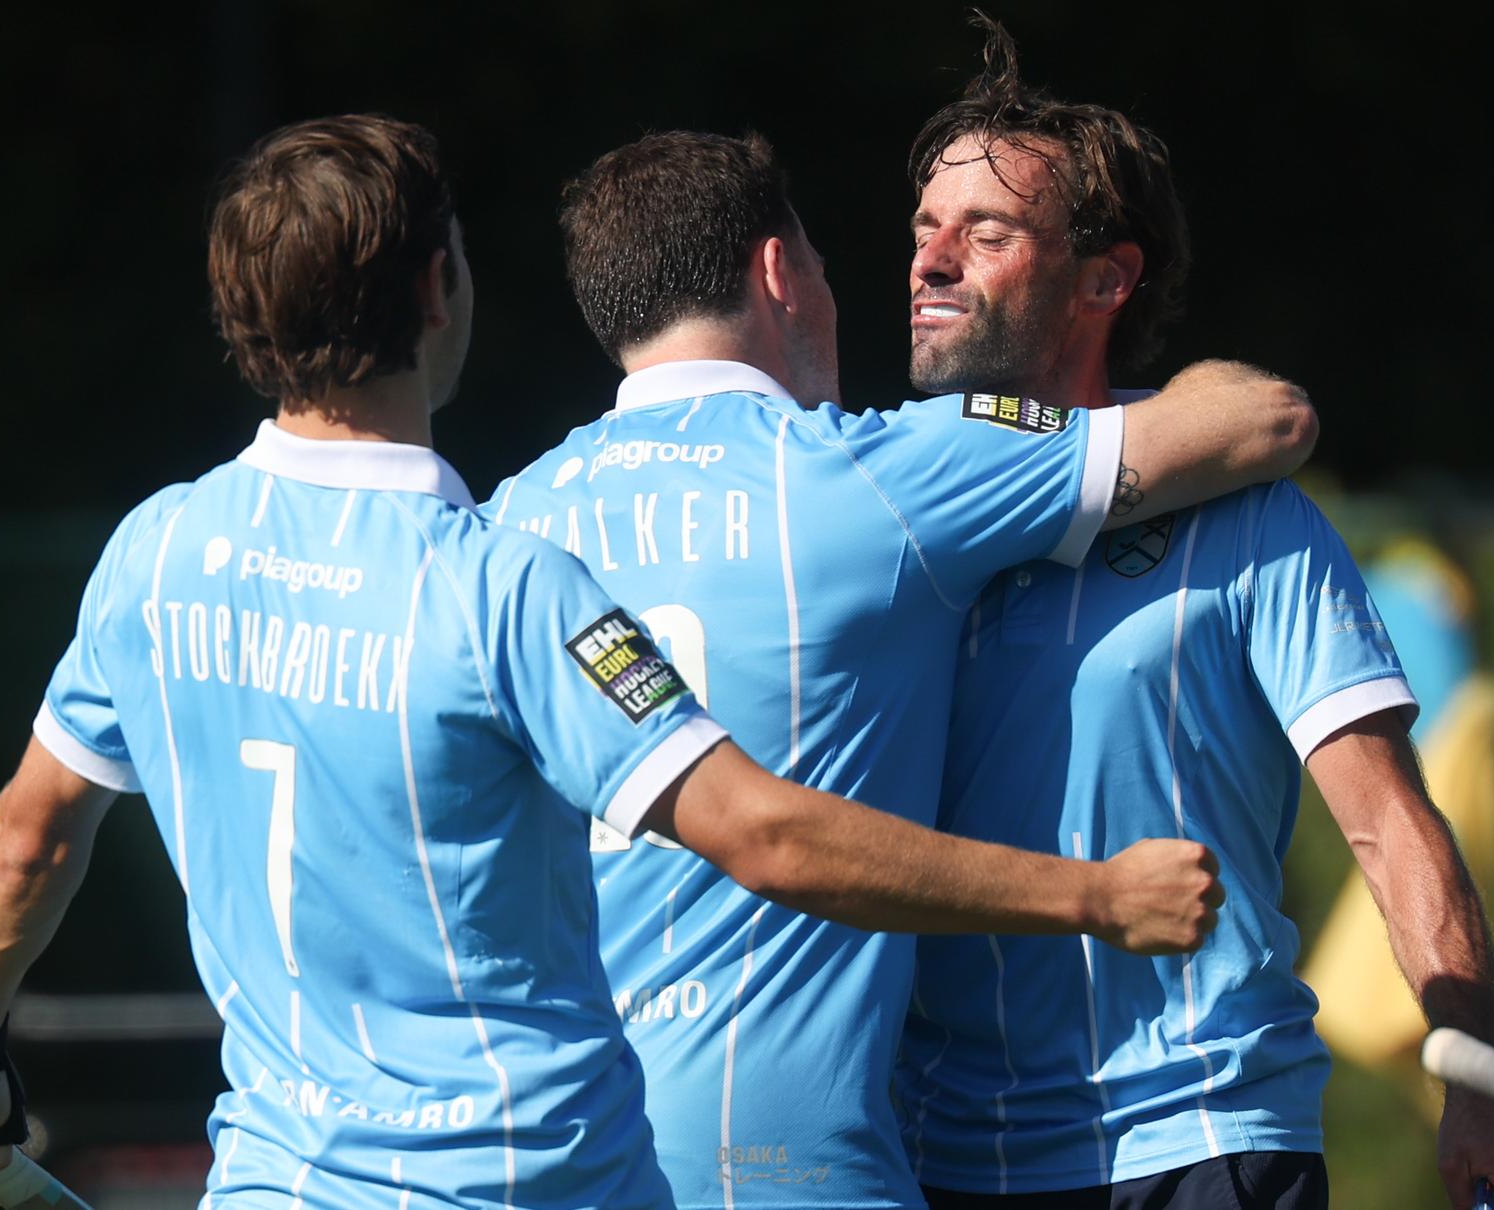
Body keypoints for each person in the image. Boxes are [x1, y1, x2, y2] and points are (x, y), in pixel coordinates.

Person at [0, 115, 1231, 1209]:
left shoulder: (156, 552)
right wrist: (1092, 892)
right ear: (439, 290)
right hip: (529, 1181)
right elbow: (763, 833)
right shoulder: (504, 587)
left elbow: (30, 836)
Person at [486, 128, 1316, 1209]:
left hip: (553, 1152)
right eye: (826, 266)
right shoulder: (879, 470)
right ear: (780, 274)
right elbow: (1265, 420)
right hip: (786, 1170)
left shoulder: (498, 529)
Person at [891, 19, 1494, 1210]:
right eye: (923, 230)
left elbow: (1387, 822)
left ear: (1106, 280)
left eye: (985, 233)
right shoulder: (869, 498)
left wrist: (1482, 1074)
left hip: (1202, 1135)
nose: (930, 262)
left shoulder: (1251, 513)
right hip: (933, 1153)